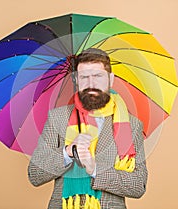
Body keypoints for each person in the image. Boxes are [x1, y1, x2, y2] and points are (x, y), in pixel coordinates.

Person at [28, 48, 148, 209]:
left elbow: (138, 185)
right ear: (76, 80)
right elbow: (35, 174)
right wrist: (68, 152)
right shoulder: (58, 118)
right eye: (85, 77)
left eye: (98, 76)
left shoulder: (132, 126)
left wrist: (95, 169)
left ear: (110, 79)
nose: (91, 84)